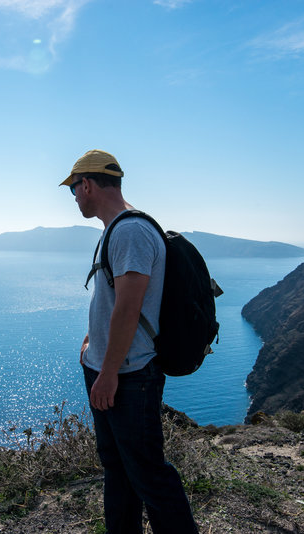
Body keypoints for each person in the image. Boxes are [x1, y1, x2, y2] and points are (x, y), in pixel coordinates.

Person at [60, 149, 198, 533]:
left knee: (150, 476)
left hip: (128, 375)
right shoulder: (117, 229)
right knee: (118, 471)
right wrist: (94, 340)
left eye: (73, 190)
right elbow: (112, 298)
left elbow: (129, 305)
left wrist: (107, 373)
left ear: (86, 184)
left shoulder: (131, 231)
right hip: (114, 369)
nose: (73, 198)